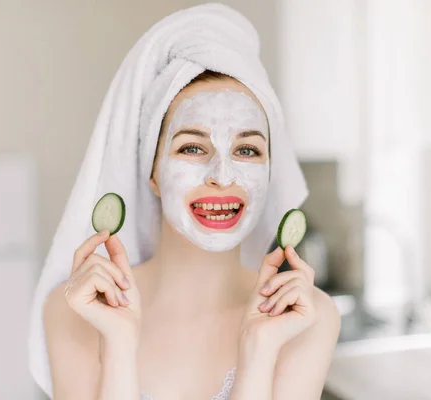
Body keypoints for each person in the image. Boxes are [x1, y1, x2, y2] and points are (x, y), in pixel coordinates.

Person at [29, 4, 340, 400]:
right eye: (192, 147)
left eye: (247, 151)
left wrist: (258, 351)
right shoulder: (77, 309)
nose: (223, 176)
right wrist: (119, 345)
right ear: (152, 171)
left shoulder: (306, 317)